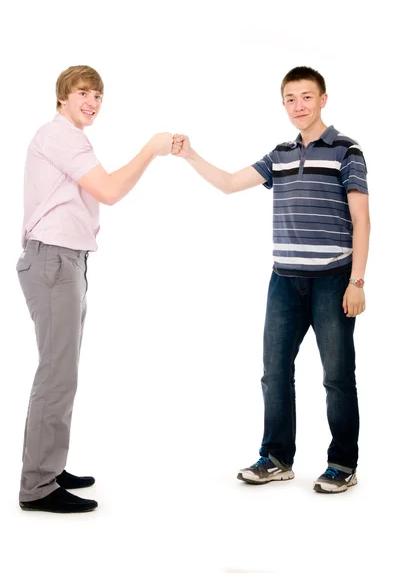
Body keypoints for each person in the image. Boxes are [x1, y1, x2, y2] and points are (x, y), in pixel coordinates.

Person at [171, 66, 370, 493]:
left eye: (306, 97)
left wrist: (357, 282)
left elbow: (362, 220)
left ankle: (342, 463)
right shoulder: (278, 155)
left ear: (323, 99)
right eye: (290, 99)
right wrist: (190, 154)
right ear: (283, 104)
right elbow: (227, 183)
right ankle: (277, 457)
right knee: (274, 372)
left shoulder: (346, 151)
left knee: (337, 375)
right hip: (284, 281)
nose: (298, 106)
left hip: (334, 281)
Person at [17, 65, 172, 513]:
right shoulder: (60, 134)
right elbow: (108, 190)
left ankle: (48, 465)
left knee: (61, 372)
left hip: (66, 261)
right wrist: (151, 149)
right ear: (62, 97)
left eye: (98, 95)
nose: (92, 101)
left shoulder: (68, 138)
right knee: (56, 373)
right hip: (54, 262)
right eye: (83, 92)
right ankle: (38, 486)